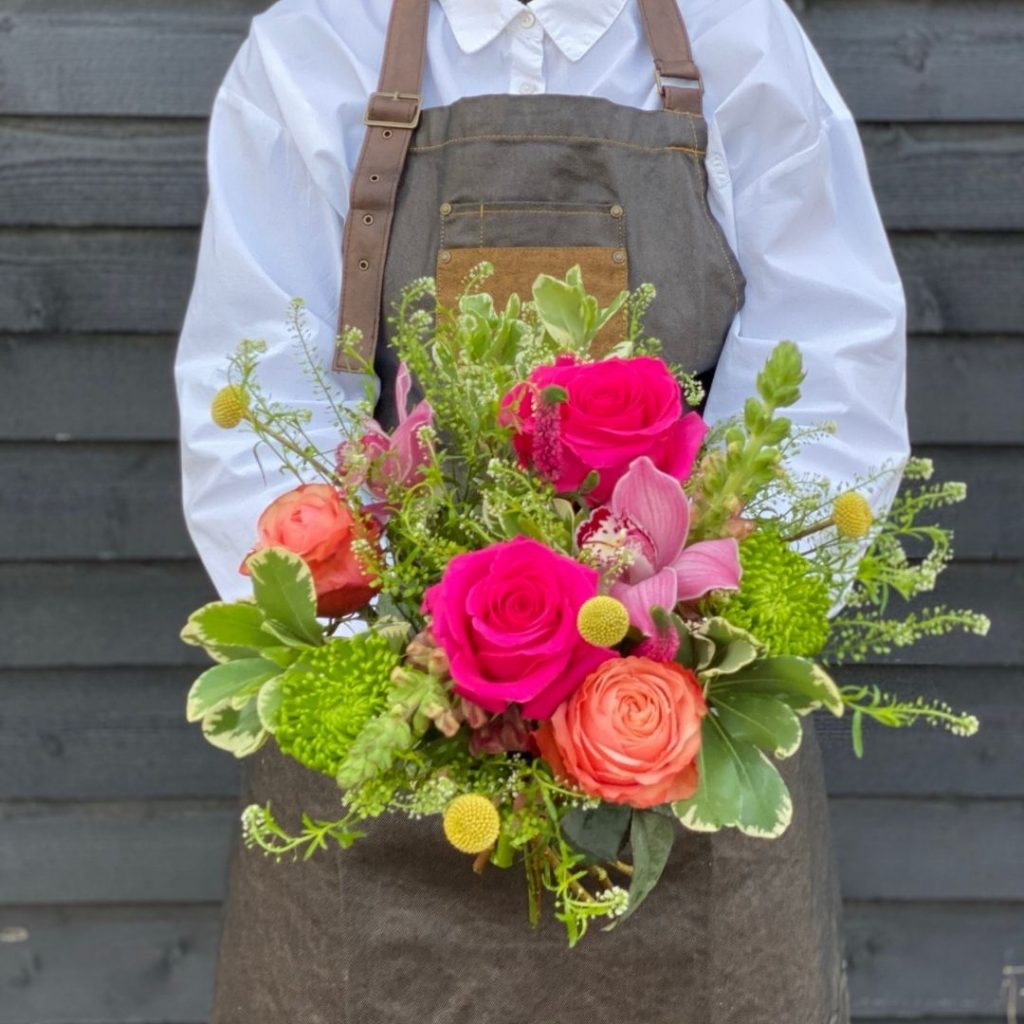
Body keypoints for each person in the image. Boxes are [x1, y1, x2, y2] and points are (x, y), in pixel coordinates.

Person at [174, 0, 909, 1020]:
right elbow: (259, 391)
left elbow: (829, 372)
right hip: (385, 752)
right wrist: (413, 679)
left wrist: (673, 655)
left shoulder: (740, 37)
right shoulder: (319, 43)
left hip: (673, 755)